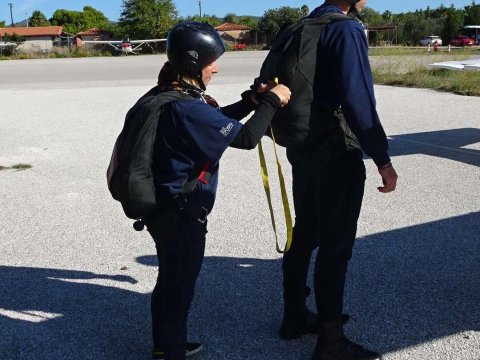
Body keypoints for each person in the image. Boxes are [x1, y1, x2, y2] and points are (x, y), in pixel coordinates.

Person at [137, 22, 291, 360]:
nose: (216, 67)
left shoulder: (170, 94)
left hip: (162, 207)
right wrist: (272, 103)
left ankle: (165, 344)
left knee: (170, 280)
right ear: (194, 64)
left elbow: (216, 121)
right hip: (182, 213)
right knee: (178, 288)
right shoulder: (187, 106)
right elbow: (246, 139)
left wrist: (251, 101)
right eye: (211, 61)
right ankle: (171, 351)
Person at [277, 1, 398, 360]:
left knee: (306, 232)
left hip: (301, 146)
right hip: (334, 149)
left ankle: (294, 315)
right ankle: (330, 342)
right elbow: (358, 97)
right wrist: (382, 158)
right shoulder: (345, 28)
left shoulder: (299, 26)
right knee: (336, 245)